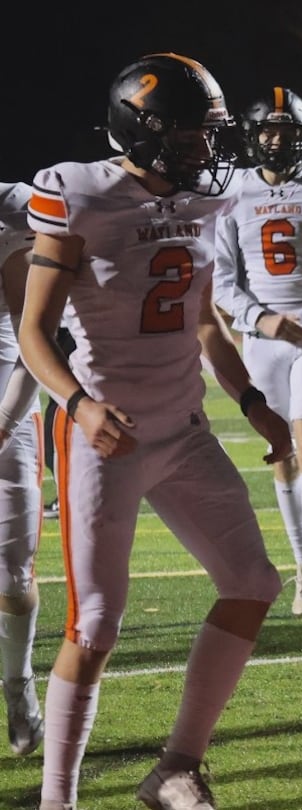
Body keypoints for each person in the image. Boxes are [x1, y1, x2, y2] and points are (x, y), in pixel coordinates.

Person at [18, 52, 290, 809]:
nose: (208, 151)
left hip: (186, 428)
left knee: (254, 583)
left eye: (210, 135)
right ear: (143, 133)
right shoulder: (81, 195)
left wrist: (250, 399)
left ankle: (176, 765)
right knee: (96, 623)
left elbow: (204, 322)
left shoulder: (206, 202)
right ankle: (57, 800)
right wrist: (79, 405)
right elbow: (36, 330)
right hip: (109, 434)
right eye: (191, 136)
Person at [212, 86, 302, 615]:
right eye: (269, 131)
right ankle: (300, 565)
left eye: (288, 132)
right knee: (282, 448)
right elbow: (221, 282)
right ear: (252, 136)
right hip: (264, 332)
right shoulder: (232, 192)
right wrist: (260, 318)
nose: (278, 140)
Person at [0, 181, 42, 757]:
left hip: (6, 408)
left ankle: (18, 684)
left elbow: (35, 340)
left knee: (12, 574)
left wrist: (5, 420)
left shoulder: (12, 207)